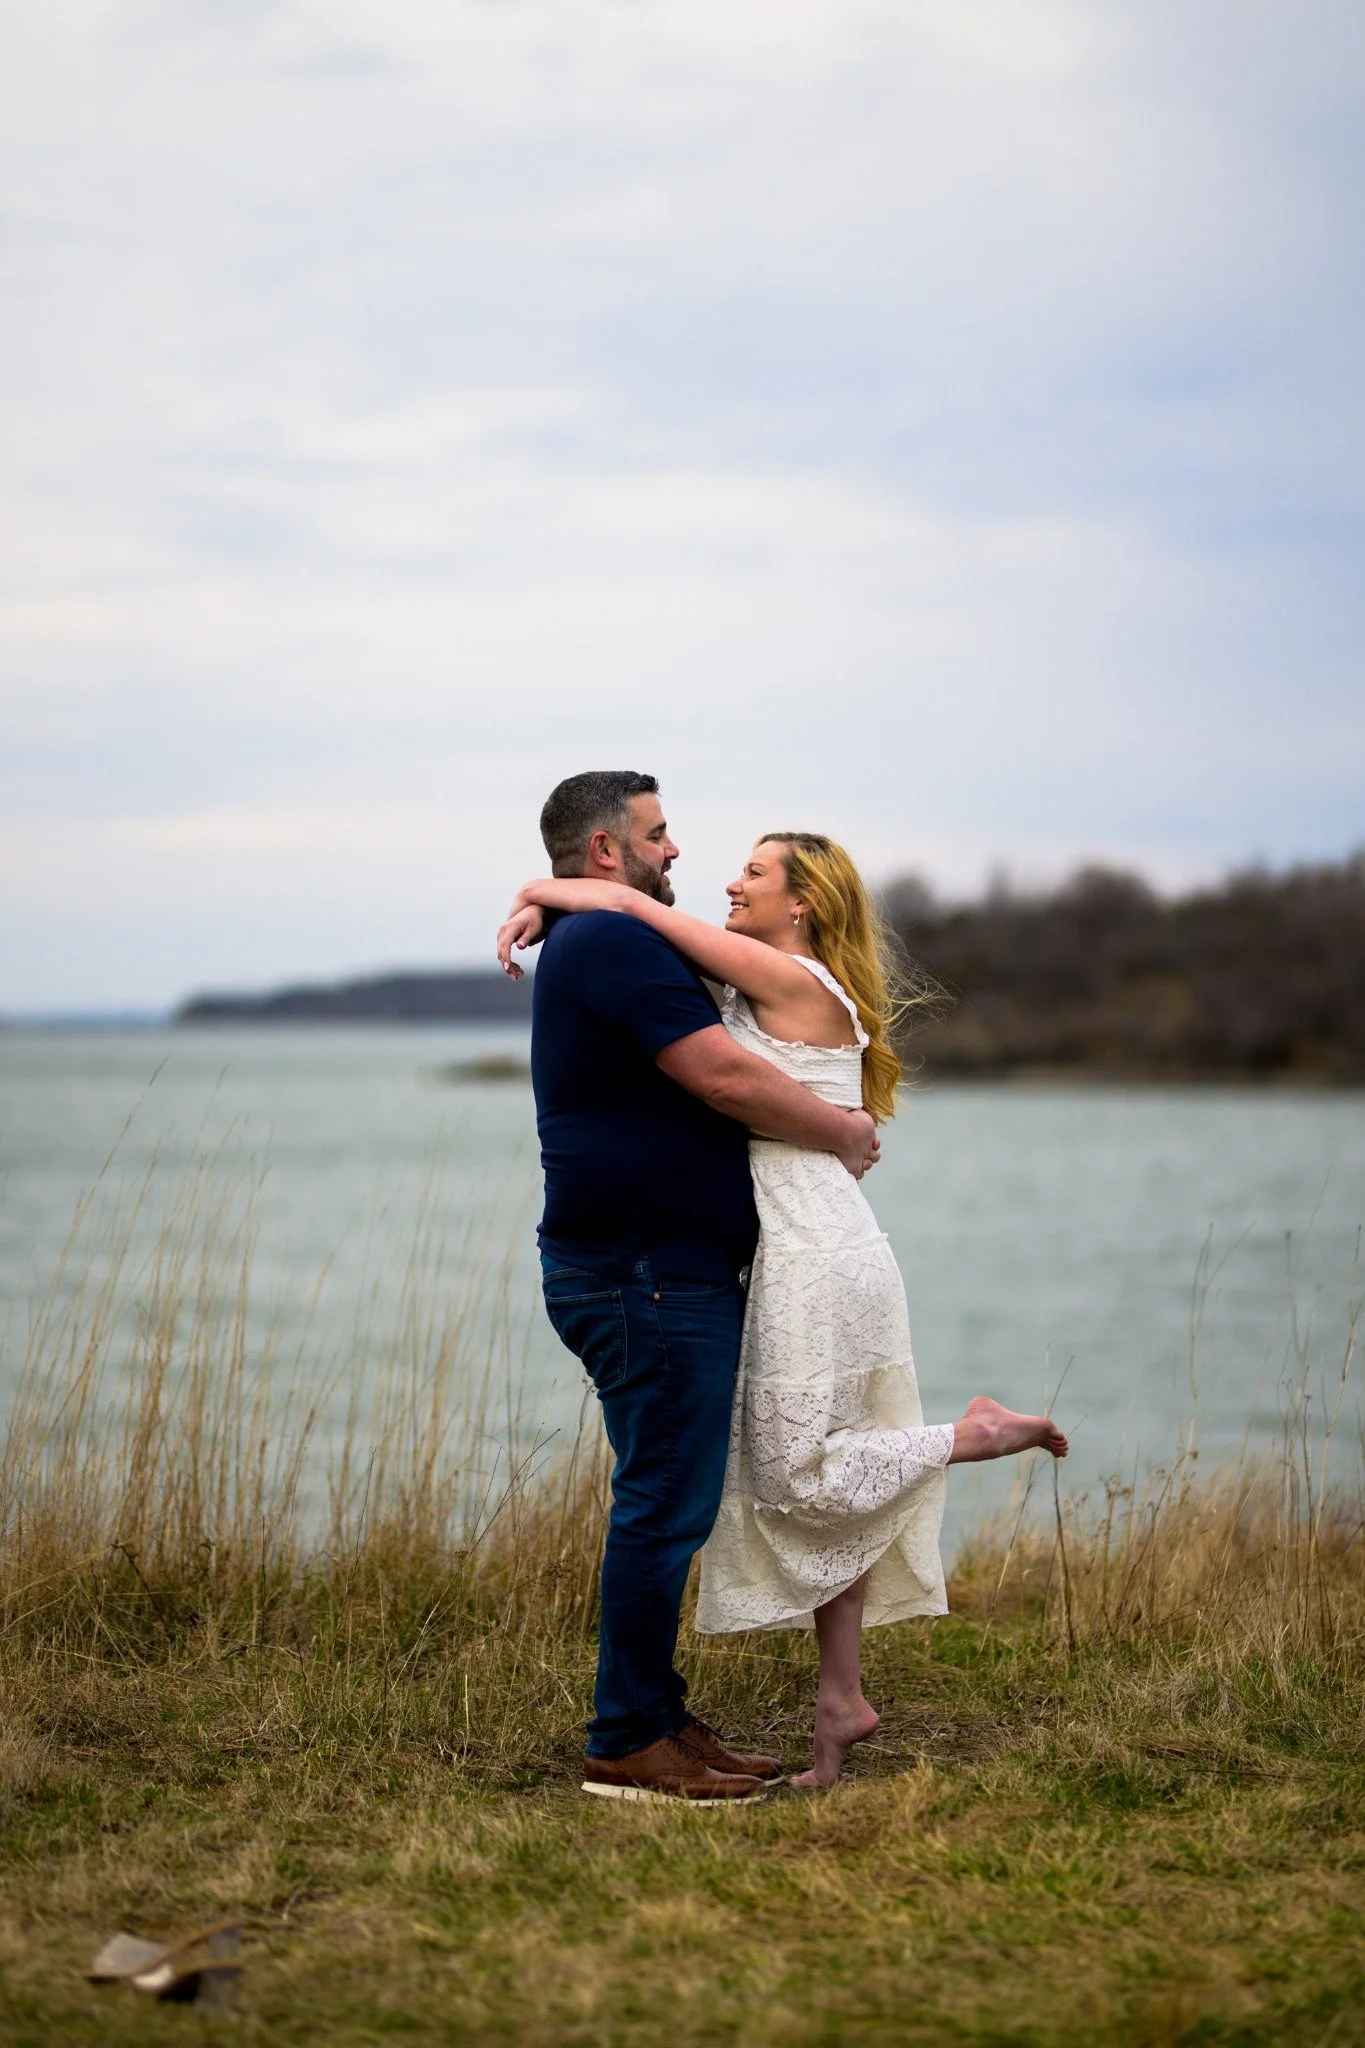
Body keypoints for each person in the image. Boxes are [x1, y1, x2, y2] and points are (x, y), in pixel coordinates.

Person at [501, 823, 1068, 1790]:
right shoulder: (759, 978)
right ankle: (838, 1701)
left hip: (813, 1250)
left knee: (799, 1474)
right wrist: (545, 901)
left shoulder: (791, 980)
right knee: (818, 1462)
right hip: (803, 1244)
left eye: (755, 872)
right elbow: (633, 934)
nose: (728, 880)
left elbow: (632, 906)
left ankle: (971, 1437)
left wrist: (540, 895)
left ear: (802, 901)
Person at [518, 772, 883, 1805]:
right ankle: (627, 1740)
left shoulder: (611, 934)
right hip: (644, 1272)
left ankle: (656, 1715)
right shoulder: (614, 940)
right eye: (659, 833)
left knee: (668, 1498)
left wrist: (539, 895)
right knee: (662, 1504)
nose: (676, 850)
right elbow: (720, 1073)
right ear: (606, 851)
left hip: (652, 1267)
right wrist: (842, 1130)